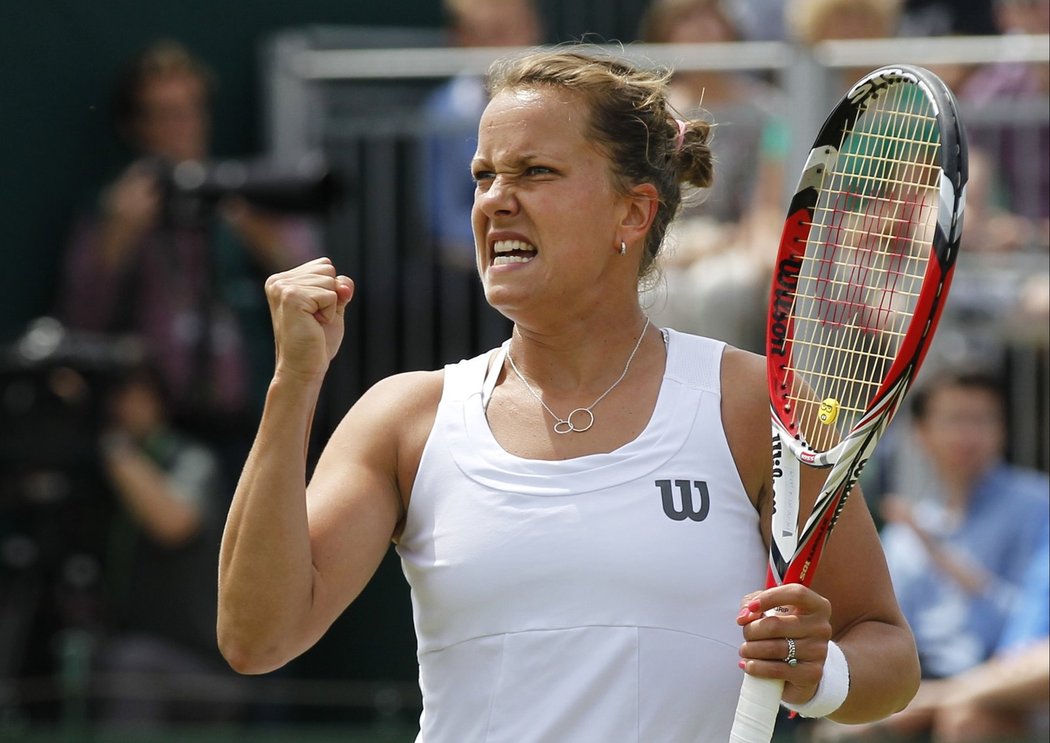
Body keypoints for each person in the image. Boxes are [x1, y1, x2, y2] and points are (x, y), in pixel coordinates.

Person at [217, 47, 920, 740]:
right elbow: (258, 637)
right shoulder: (406, 419)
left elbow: (886, 649)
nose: (496, 199)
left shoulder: (745, 404)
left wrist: (821, 671)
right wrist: (294, 383)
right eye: (483, 175)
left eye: (536, 172)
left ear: (632, 213)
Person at [57, 40, 320, 483]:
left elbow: (307, 269)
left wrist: (237, 214)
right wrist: (118, 236)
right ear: (134, 125)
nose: (179, 127)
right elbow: (79, 317)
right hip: (158, 427)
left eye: (189, 110)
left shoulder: (239, 194)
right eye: (162, 114)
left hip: (251, 411)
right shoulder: (115, 208)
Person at [808, 369, 1050, 741]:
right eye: (954, 420)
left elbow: (1027, 631)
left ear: (1002, 430)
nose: (968, 435)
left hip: (1012, 687)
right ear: (921, 434)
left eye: (982, 420)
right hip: (924, 682)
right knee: (842, 731)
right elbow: (887, 631)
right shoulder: (906, 532)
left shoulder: (1038, 505)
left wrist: (940, 554)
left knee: (968, 721)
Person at [637, 0, 789, 352]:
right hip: (667, 245)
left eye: (710, 18)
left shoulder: (772, 114)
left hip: (737, 243)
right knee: (653, 292)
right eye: (686, 20)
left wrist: (749, 245)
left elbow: (767, 201)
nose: (701, 30)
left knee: (723, 289)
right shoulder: (649, 114)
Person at [94, 361, 239, 727]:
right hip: (110, 649)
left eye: (126, 392)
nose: (115, 405)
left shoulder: (190, 459)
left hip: (203, 666)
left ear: (156, 399)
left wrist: (113, 449)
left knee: (134, 662)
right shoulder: (90, 470)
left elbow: (174, 524)